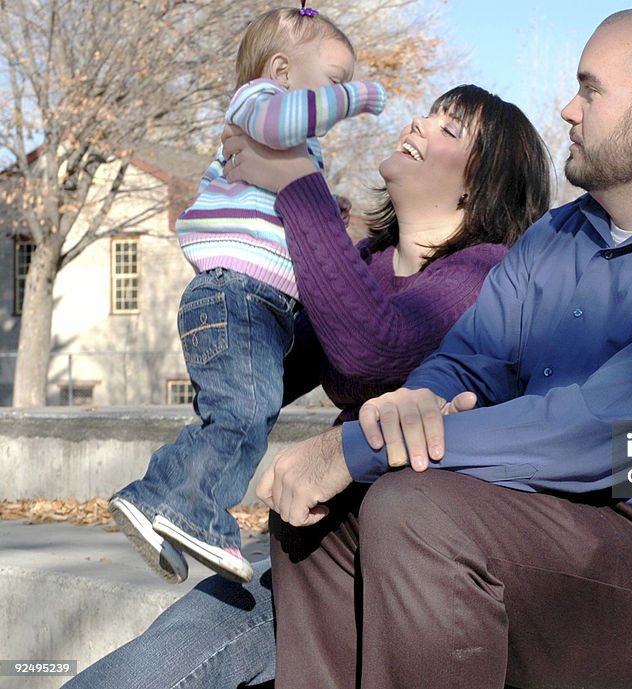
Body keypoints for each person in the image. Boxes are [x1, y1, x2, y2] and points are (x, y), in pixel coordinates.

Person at [258, 6, 632, 689]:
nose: (568, 109)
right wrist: (417, 401)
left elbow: (598, 434)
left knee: (410, 507)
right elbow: (470, 357)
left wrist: (358, 443)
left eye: (589, 90)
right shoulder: (554, 237)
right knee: (321, 508)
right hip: (516, 514)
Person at [62, 82, 551, 688]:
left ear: (482, 183)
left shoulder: (486, 271)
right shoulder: (368, 262)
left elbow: (375, 349)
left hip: (413, 572)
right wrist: (235, 267)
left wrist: (297, 184)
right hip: (310, 551)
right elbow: (266, 371)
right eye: (426, 114)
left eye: (449, 130)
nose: (418, 125)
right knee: (141, 665)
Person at [108, 4, 387, 583]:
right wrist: (357, 97)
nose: (337, 95)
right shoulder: (257, 103)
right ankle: (178, 504)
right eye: (333, 79)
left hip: (256, 303)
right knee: (243, 410)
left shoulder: (294, 142)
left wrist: (324, 209)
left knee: (240, 413)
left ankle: (168, 506)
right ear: (281, 70)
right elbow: (281, 126)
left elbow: (286, 215)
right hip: (235, 295)